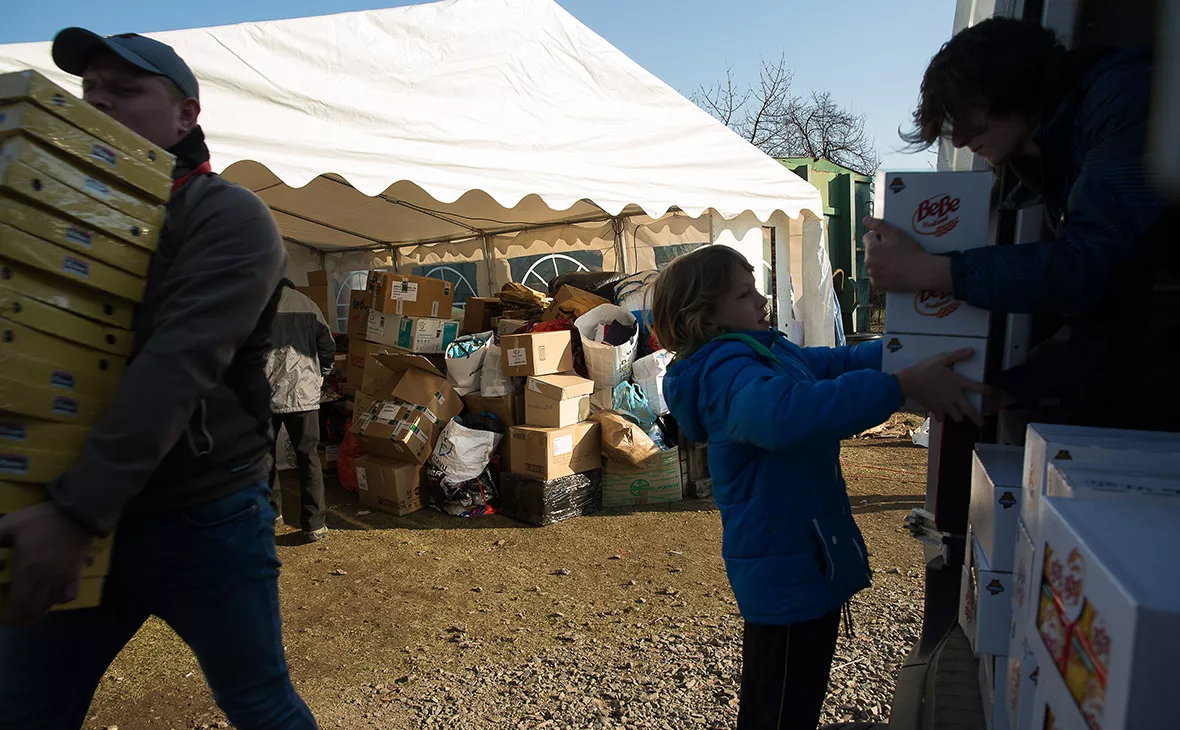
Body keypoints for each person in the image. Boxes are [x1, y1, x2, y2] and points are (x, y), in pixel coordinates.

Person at [0, 29, 317, 729]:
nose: (102, 104)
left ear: (185, 115)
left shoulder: (226, 215)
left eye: (128, 91)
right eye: (92, 92)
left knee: (258, 703)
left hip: (200, 513)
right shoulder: (50, 216)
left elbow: (178, 363)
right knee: (24, 709)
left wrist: (74, 513)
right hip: (66, 500)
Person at [654, 245, 983, 730]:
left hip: (801, 560)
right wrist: (899, 386)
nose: (762, 300)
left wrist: (904, 352)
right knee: (781, 708)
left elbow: (835, 364)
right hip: (786, 570)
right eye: (745, 294)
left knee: (790, 698)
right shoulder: (728, 371)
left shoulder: (763, 348)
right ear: (703, 317)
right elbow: (788, 413)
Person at [863, 17, 1177, 431]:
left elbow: (1084, 269)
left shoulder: (1125, 99)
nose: (958, 140)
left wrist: (928, 271)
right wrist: (1007, 390)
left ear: (1007, 83)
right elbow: (1109, 313)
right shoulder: (1060, 152)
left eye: (965, 114)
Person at [266, 280, 336, 542]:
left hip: (265, 394)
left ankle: (271, 514)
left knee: (264, 457)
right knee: (308, 459)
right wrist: (321, 373)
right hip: (303, 395)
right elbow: (327, 345)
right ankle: (314, 524)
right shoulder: (309, 305)